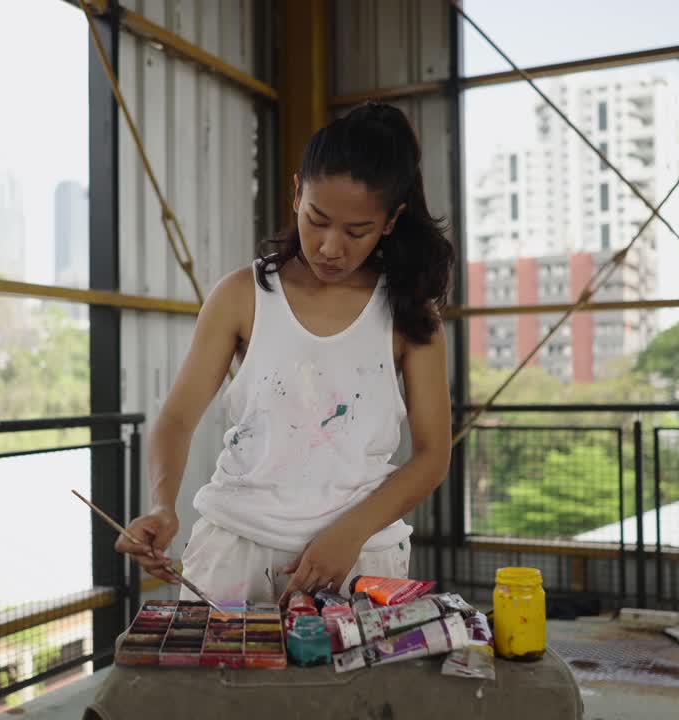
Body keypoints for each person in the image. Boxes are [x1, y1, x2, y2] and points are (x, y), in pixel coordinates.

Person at [115, 102, 454, 603]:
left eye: (356, 231)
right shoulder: (241, 295)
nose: (330, 247)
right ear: (297, 194)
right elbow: (178, 419)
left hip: (361, 558)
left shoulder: (408, 314)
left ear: (390, 222)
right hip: (235, 549)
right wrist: (163, 505)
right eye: (317, 220)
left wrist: (350, 533)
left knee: (358, 685)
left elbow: (433, 457)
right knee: (219, 681)